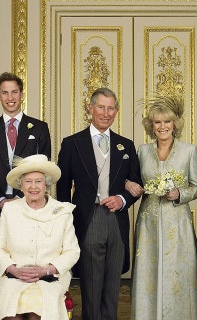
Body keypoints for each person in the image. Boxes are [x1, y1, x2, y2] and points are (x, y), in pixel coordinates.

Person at [56, 87, 141, 320]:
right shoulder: (72, 144)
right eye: (101, 107)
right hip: (88, 218)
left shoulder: (126, 145)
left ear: (116, 111)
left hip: (117, 221)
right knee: (92, 286)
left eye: (111, 108)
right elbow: (62, 188)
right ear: (90, 108)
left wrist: (122, 199)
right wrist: (67, 225)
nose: (106, 113)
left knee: (113, 286)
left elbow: (137, 184)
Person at [124, 95, 197, 319]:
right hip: (149, 221)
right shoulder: (142, 151)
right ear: (151, 126)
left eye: (167, 122)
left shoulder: (189, 150)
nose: (162, 127)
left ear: (175, 124)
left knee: (178, 272)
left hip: (177, 220)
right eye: (157, 122)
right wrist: (129, 184)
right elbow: (130, 179)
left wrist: (180, 193)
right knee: (148, 273)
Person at [0, 154, 80, 320]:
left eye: (38, 181)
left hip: (50, 279)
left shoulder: (62, 212)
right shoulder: (10, 210)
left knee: (37, 314)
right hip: (14, 278)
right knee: (11, 315)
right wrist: (14, 270)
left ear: (46, 184)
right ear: (21, 185)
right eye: (28, 181)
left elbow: (72, 252)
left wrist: (47, 269)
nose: (33, 187)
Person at [0, 72, 51, 211]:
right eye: (5, 93)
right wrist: (0, 200)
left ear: (22, 95)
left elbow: (43, 168)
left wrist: (19, 198)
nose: (10, 98)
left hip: (29, 203)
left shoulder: (40, 128)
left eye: (14, 92)